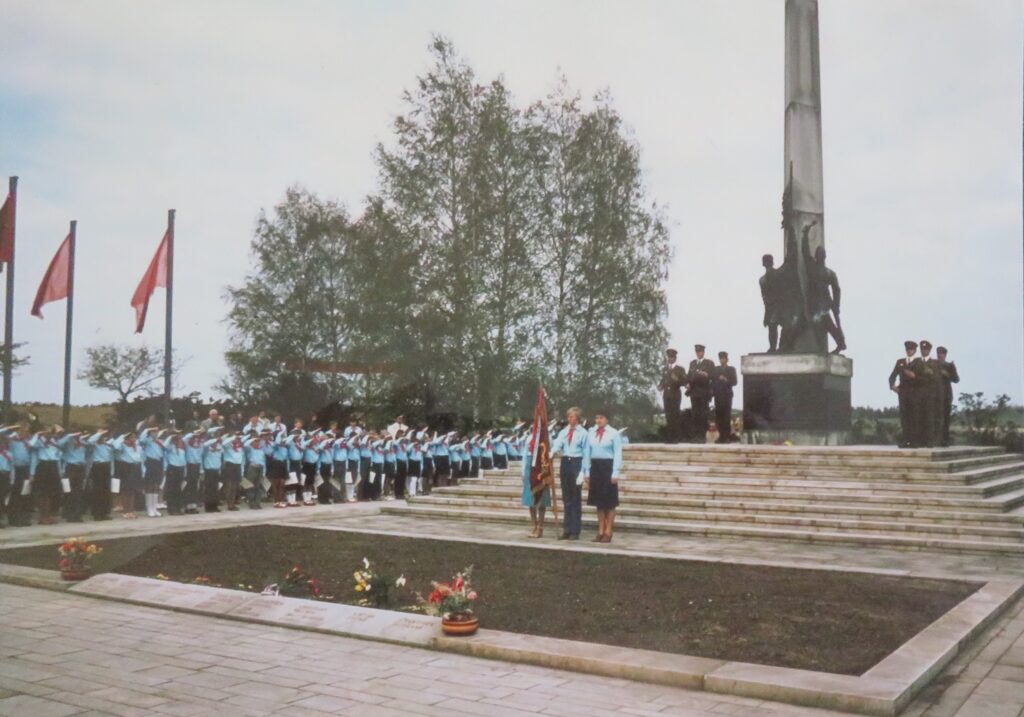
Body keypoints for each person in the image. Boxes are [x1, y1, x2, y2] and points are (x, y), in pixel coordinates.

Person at [581, 411, 624, 543]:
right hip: (595, 467)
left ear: (607, 419)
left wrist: (615, 472)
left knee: (609, 502)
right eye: (596, 418)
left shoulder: (613, 433)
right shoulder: (591, 433)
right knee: (598, 502)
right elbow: (587, 452)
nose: (598, 420)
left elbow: (617, 452)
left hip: (608, 466)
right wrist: (587, 471)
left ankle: (608, 531)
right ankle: (600, 530)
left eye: (601, 418)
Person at [551, 407, 588, 541]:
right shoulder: (564, 431)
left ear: (578, 418)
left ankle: (575, 530)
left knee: (575, 498)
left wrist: (583, 472)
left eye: (573, 417)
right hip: (565, 462)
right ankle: (566, 529)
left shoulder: (583, 433)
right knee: (566, 498)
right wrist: (552, 452)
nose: (570, 419)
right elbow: (558, 444)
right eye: (569, 417)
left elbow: (586, 453)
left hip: (577, 462)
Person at [520, 423, 552, 539]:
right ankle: (534, 525)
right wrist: (523, 471)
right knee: (530, 499)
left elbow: (549, 454)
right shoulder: (529, 438)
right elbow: (524, 455)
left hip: (541, 469)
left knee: (541, 499)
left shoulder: (546, 438)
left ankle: (540, 527)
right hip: (530, 467)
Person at [909, 340, 941, 447]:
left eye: (926, 349)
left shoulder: (935, 363)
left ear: (929, 350)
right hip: (917, 394)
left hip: (929, 394)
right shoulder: (916, 362)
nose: (924, 351)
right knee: (917, 417)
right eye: (922, 349)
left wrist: (930, 374)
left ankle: (929, 441)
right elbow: (910, 376)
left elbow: (937, 379)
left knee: (929, 418)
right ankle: (916, 441)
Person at [30, 427, 63, 525]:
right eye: (48, 433)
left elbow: (58, 458)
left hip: (53, 467)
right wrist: (38, 434)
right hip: (43, 466)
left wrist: (60, 472)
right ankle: (42, 516)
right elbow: (31, 445)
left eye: (51, 433)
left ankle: (48, 516)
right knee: (43, 494)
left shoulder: (55, 443)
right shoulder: (39, 442)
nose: (50, 435)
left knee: (52, 493)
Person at [889, 341, 918, 448]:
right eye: (907, 349)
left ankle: (914, 441)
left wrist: (914, 376)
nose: (909, 351)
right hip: (903, 393)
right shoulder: (900, 362)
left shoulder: (919, 362)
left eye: (911, 349)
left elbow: (924, 378)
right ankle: (905, 441)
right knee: (904, 417)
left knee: (914, 417)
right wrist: (893, 386)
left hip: (915, 393)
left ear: (915, 350)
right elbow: (892, 375)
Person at [57, 430, 88, 522]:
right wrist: (69, 436)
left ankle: (77, 514)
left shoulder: (82, 443)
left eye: (79, 434)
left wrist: (81, 439)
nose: (78, 436)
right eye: (76, 434)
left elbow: (90, 446)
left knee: (78, 492)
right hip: (70, 468)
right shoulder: (67, 443)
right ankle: (68, 514)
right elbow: (59, 443)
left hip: (80, 467)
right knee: (68, 491)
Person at [687, 345, 715, 443]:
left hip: (704, 392)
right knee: (695, 415)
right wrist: (687, 384)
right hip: (694, 393)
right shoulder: (692, 363)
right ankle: (695, 437)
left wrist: (707, 375)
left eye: (700, 352)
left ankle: (702, 437)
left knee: (703, 415)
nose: (698, 353)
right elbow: (689, 376)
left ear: (703, 352)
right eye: (697, 352)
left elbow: (713, 376)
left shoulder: (709, 363)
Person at [112, 431, 143, 519]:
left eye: (134, 437)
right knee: (126, 490)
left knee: (133, 490)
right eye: (131, 438)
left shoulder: (137, 447)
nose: (134, 439)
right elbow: (116, 445)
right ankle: (126, 511)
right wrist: (122, 436)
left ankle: (131, 510)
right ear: (127, 439)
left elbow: (139, 458)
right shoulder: (122, 446)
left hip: (135, 467)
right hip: (126, 468)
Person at [659, 349, 686, 443]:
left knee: (675, 416)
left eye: (672, 357)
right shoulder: (665, 369)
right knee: (668, 416)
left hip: (675, 394)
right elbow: (663, 380)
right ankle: (669, 438)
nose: (670, 359)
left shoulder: (680, 369)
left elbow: (684, 382)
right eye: (669, 357)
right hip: (666, 395)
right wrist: (660, 386)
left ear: (675, 358)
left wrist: (677, 379)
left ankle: (676, 438)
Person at [137, 427, 165, 518]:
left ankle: (154, 508)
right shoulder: (147, 441)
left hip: (158, 463)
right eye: (153, 432)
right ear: (150, 433)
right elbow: (141, 439)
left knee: (156, 486)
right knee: (150, 486)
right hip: (150, 462)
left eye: (156, 432)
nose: (155, 434)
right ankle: (149, 508)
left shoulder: (159, 442)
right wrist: (147, 430)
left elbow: (163, 452)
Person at [935, 347, 960, 447]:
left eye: (942, 354)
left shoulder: (950, 366)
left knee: (945, 419)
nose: (940, 355)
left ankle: (945, 440)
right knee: (935, 418)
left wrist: (947, 375)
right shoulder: (933, 364)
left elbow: (956, 379)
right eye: (938, 353)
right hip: (935, 395)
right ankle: (935, 439)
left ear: (945, 355)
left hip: (946, 395)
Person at [712, 352, 738, 443]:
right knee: (719, 416)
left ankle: (726, 436)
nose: (722, 360)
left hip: (727, 395)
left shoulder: (731, 369)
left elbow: (735, 382)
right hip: (718, 396)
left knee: (726, 416)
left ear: (727, 359)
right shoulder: (716, 369)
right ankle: (721, 436)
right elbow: (713, 381)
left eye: (723, 358)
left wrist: (726, 380)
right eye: (720, 358)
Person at [760, 254, 782, 352]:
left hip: (778, 305)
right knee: (772, 327)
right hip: (771, 307)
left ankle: (778, 347)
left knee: (773, 327)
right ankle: (773, 347)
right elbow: (764, 297)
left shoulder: (778, 275)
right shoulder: (762, 280)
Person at [163, 431, 187, 515]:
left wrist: (185, 468)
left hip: (181, 467)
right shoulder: (170, 445)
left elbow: (184, 456)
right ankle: (171, 508)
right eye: (177, 434)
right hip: (172, 467)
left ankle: (178, 507)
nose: (179, 436)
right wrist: (170, 437)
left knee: (178, 489)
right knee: (171, 489)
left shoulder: (182, 444)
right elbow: (164, 446)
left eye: (180, 434)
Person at [201, 431, 224, 512]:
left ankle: (214, 506)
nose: (216, 442)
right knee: (209, 489)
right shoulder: (207, 448)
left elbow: (220, 457)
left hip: (216, 470)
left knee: (215, 489)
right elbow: (204, 445)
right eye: (214, 441)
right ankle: (208, 507)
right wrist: (213, 440)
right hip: (209, 470)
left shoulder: (219, 447)